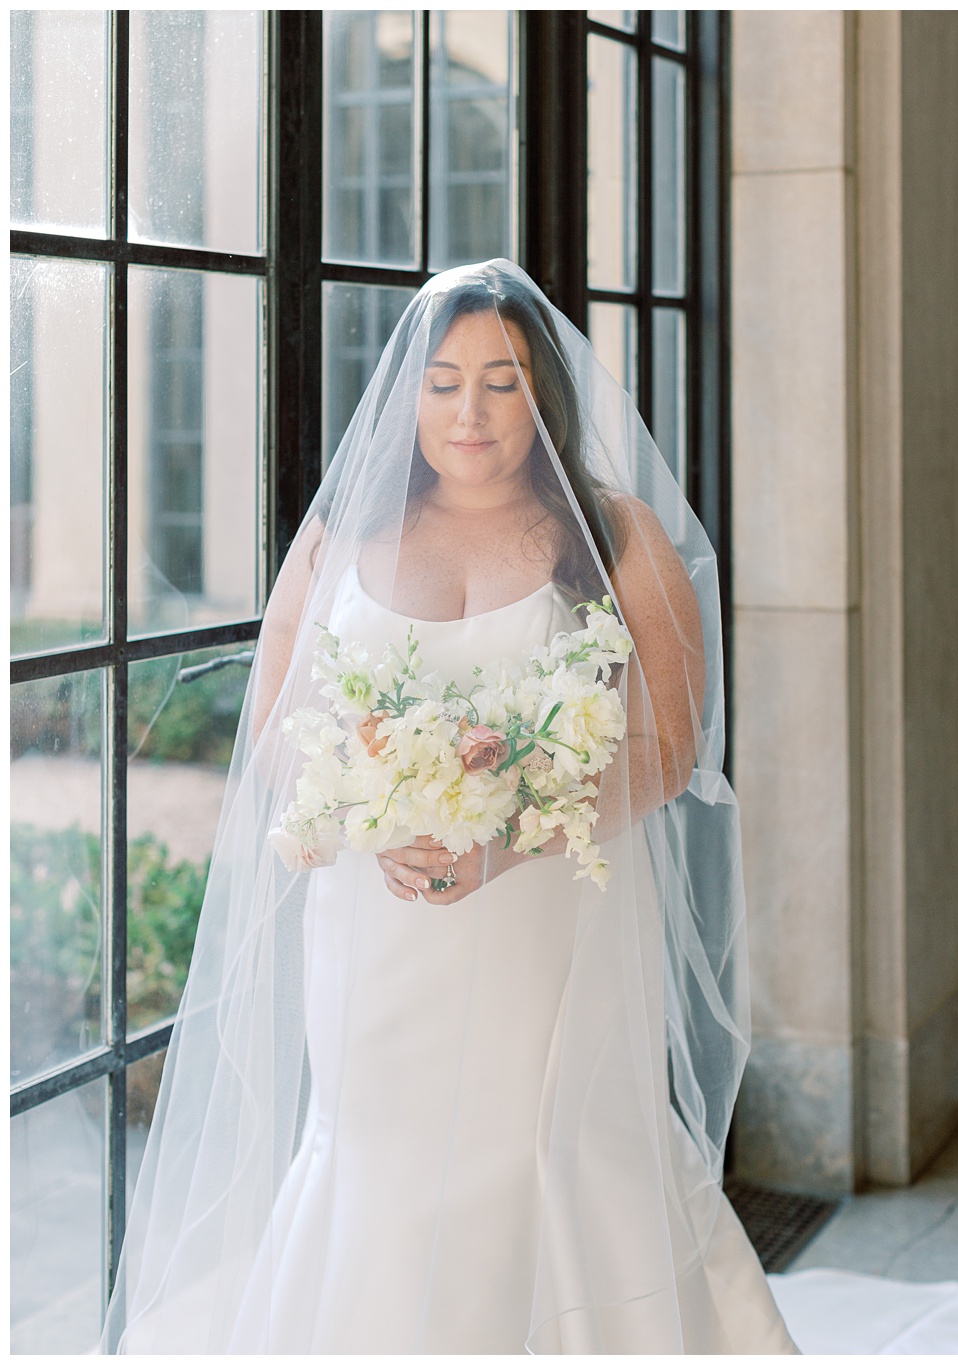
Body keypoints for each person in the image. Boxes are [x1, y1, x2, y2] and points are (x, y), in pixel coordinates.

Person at [107, 261, 792, 1352]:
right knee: (377, 1155)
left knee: (548, 1151)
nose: (467, 412)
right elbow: (278, 726)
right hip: (376, 934)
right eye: (442, 383)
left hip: (545, 930)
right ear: (408, 396)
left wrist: (508, 837)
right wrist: (377, 813)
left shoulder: (616, 539)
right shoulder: (342, 538)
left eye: (501, 382)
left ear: (543, 398)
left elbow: (668, 747)